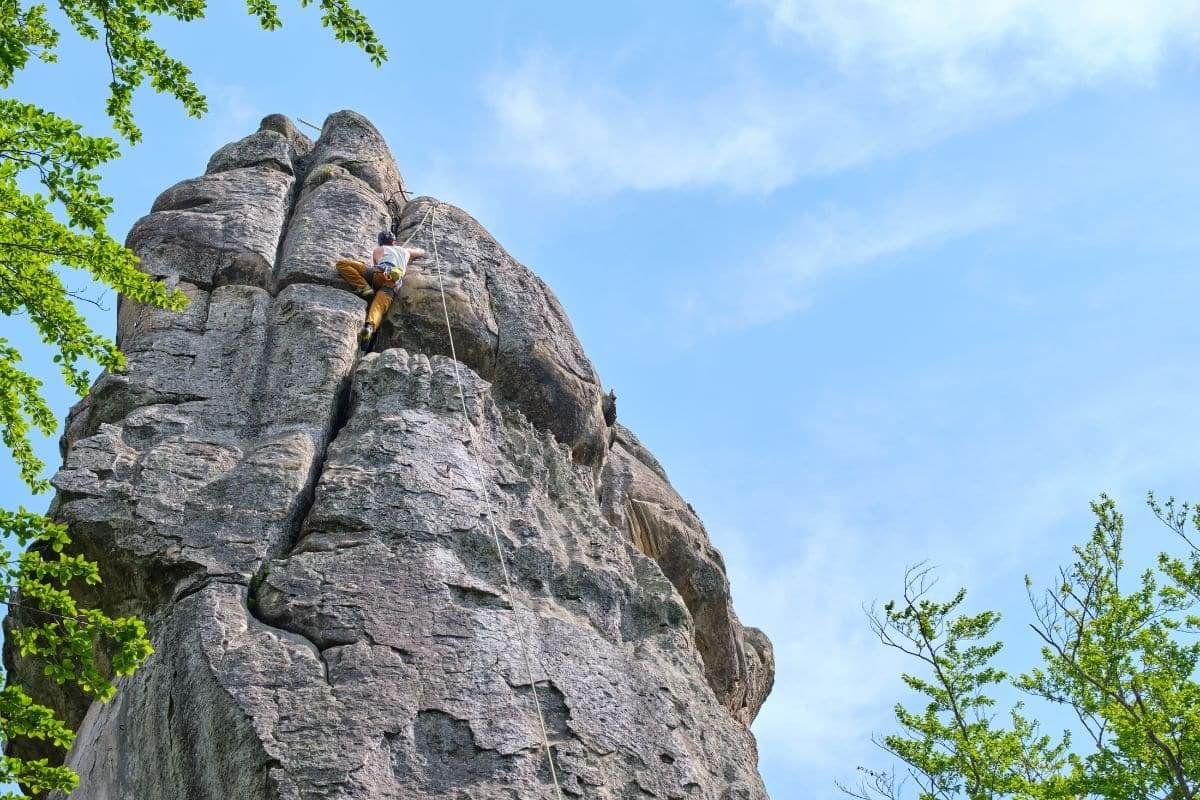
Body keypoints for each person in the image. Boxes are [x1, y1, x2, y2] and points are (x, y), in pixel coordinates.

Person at [336, 232, 427, 349]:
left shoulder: (378, 249)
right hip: (393, 284)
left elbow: (376, 264)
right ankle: (369, 327)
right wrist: (424, 253)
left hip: (379, 273)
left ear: (380, 242)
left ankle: (364, 287)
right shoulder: (405, 251)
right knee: (378, 307)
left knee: (342, 264)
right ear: (394, 242)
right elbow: (421, 252)